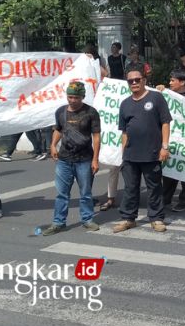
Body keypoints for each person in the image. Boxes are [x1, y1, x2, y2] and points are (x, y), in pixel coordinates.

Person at [113, 66, 171, 234]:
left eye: (137, 79)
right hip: (131, 155)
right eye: (130, 81)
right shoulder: (125, 104)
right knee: (130, 188)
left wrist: (164, 147)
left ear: (144, 80)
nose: (134, 83)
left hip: (152, 153)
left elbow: (165, 123)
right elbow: (124, 131)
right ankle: (128, 218)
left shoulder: (156, 98)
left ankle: (156, 218)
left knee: (154, 188)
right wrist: (124, 154)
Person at [41, 81, 102, 236]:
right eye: (70, 97)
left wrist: (95, 159)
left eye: (76, 97)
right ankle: (58, 222)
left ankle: (87, 219)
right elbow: (58, 130)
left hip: (85, 159)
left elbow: (96, 137)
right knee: (62, 194)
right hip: (64, 160)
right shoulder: (60, 112)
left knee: (86, 193)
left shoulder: (91, 112)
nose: (73, 100)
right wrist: (53, 145)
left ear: (82, 97)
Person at [157, 70, 185, 212]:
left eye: (173, 80)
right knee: (168, 172)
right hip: (171, 141)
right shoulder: (167, 96)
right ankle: (165, 198)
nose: (170, 83)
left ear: (182, 82)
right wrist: (161, 91)